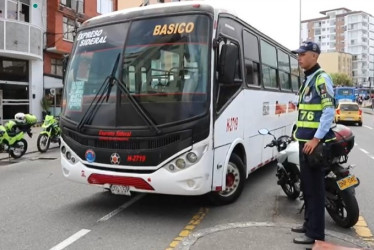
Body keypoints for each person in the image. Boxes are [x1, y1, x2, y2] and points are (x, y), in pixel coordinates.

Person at [290, 41, 336, 244]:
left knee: (315, 190)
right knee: (307, 188)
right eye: (298, 54)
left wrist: (316, 139)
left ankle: (316, 234)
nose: (299, 57)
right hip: (304, 141)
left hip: (314, 144)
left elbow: (328, 111)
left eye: (302, 54)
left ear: (315, 56)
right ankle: (308, 225)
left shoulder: (321, 78)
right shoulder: (308, 79)